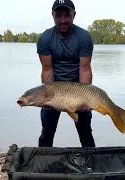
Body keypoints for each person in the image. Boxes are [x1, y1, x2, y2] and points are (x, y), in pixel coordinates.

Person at [36, 0, 95, 148]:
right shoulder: (45, 38)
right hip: (55, 89)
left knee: (85, 132)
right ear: (53, 15)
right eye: (58, 16)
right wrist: (47, 97)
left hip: (78, 90)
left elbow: (85, 69)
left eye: (67, 15)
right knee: (47, 132)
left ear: (74, 15)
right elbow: (47, 69)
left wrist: (86, 98)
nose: (63, 20)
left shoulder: (84, 37)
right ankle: (43, 165)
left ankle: (91, 165)